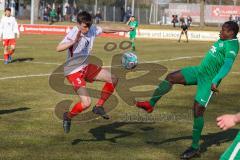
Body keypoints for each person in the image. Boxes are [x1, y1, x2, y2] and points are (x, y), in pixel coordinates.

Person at [136, 21, 239, 159]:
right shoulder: (223, 39)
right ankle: (151, 104)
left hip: (208, 81)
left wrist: (216, 80)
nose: (220, 32)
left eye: (223, 30)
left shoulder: (232, 45)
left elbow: (227, 65)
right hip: (199, 71)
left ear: (231, 33)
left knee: (198, 110)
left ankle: (195, 148)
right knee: (171, 77)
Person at [56, 11, 131, 134]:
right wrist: (73, 42)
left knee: (113, 78)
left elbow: (106, 28)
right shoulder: (74, 32)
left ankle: (99, 106)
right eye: (84, 26)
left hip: (86, 66)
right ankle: (68, 116)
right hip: (73, 71)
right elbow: (58, 48)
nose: (87, 29)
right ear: (78, 24)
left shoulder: (91, 29)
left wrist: (124, 28)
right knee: (86, 103)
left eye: (89, 26)